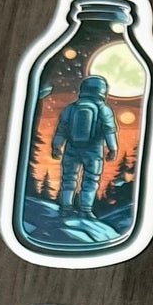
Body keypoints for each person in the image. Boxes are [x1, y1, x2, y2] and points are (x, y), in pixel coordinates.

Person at [52, 74, 117, 214]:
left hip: (71, 148)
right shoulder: (104, 109)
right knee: (91, 180)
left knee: (68, 178)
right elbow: (109, 130)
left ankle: (66, 207)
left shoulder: (70, 108)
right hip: (93, 151)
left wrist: (56, 146)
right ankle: (86, 210)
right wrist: (112, 148)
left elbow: (61, 129)